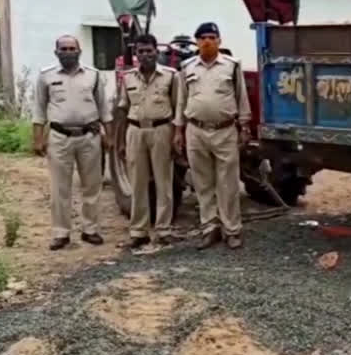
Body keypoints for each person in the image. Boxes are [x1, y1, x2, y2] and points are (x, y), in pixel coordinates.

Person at [174, 22, 251, 250]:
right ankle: (209, 228)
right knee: (202, 183)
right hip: (195, 130)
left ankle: (232, 230)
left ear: (219, 41)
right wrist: (178, 130)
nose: (207, 41)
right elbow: (181, 100)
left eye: (211, 37)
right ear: (196, 42)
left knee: (228, 184)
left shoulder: (232, 66)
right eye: (202, 38)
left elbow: (241, 96)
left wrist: (245, 126)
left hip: (225, 130)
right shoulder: (187, 67)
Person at [32, 35, 113, 250]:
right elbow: (39, 109)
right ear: (56, 52)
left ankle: (90, 230)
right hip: (59, 137)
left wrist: (110, 136)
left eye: (72, 48)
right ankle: (61, 233)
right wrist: (38, 138)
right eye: (64, 48)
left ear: (79, 51)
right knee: (60, 187)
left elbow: (104, 108)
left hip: (89, 136)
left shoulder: (93, 75)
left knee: (92, 185)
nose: (68, 52)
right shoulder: (46, 76)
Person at [116, 33, 180, 248]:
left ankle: (163, 230)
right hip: (135, 131)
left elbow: (177, 108)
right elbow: (123, 108)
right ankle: (139, 231)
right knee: (138, 183)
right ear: (136, 54)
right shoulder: (128, 78)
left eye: (149, 50)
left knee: (164, 182)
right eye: (141, 51)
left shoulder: (171, 76)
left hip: (161, 129)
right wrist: (121, 141)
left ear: (156, 51)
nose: (145, 55)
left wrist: (176, 136)